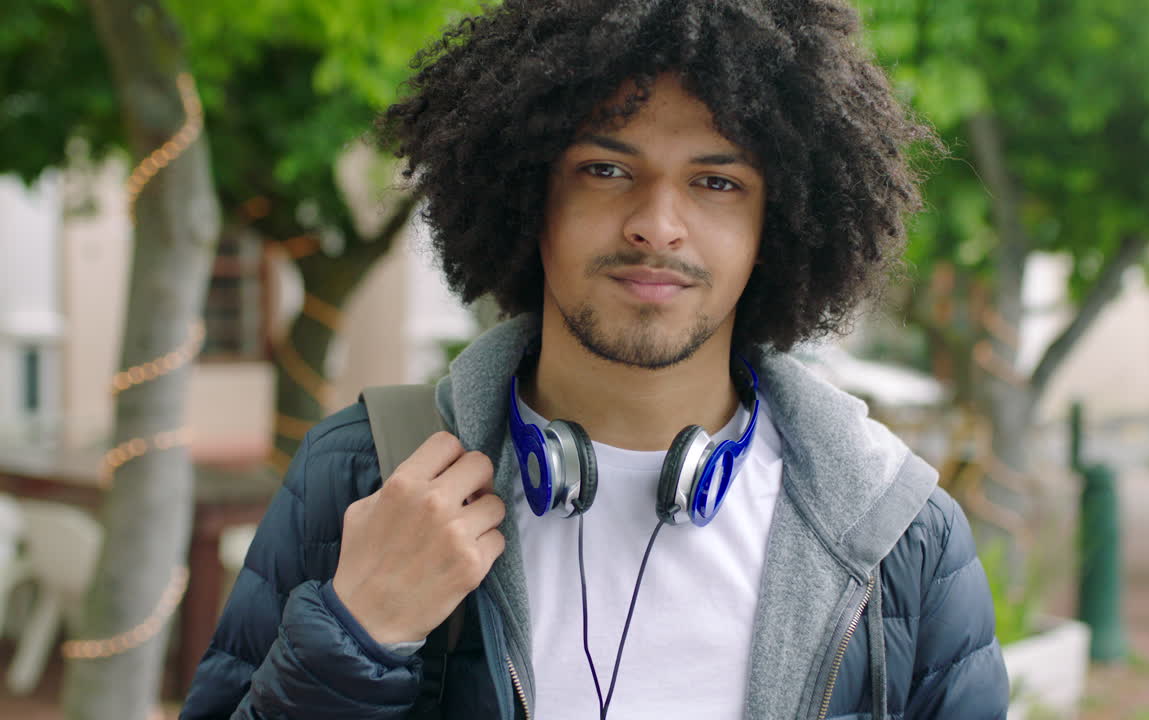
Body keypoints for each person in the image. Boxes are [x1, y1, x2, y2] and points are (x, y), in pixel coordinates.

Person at [181, 1, 1009, 718]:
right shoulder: (362, 474)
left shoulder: (899, 537)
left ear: (777, 229)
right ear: (528, 200)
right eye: (606, 169)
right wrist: (356, 638)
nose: (657, 224)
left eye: (717, 183)